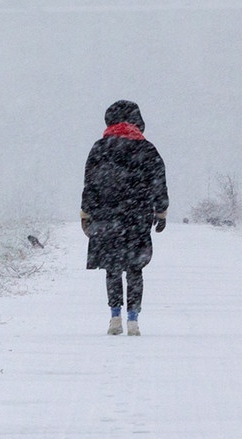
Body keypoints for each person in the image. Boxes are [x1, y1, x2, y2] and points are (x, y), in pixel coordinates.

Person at [80, 100, 168, 336]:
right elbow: (158, 181)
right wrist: (161, 211)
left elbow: (90, 184)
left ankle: (115, 318)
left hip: (106, 216)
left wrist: (86, 212)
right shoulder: (147, 150)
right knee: (135, 268)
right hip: (137, 216)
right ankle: (133, 321)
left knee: (112, 267)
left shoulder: (100, 148)